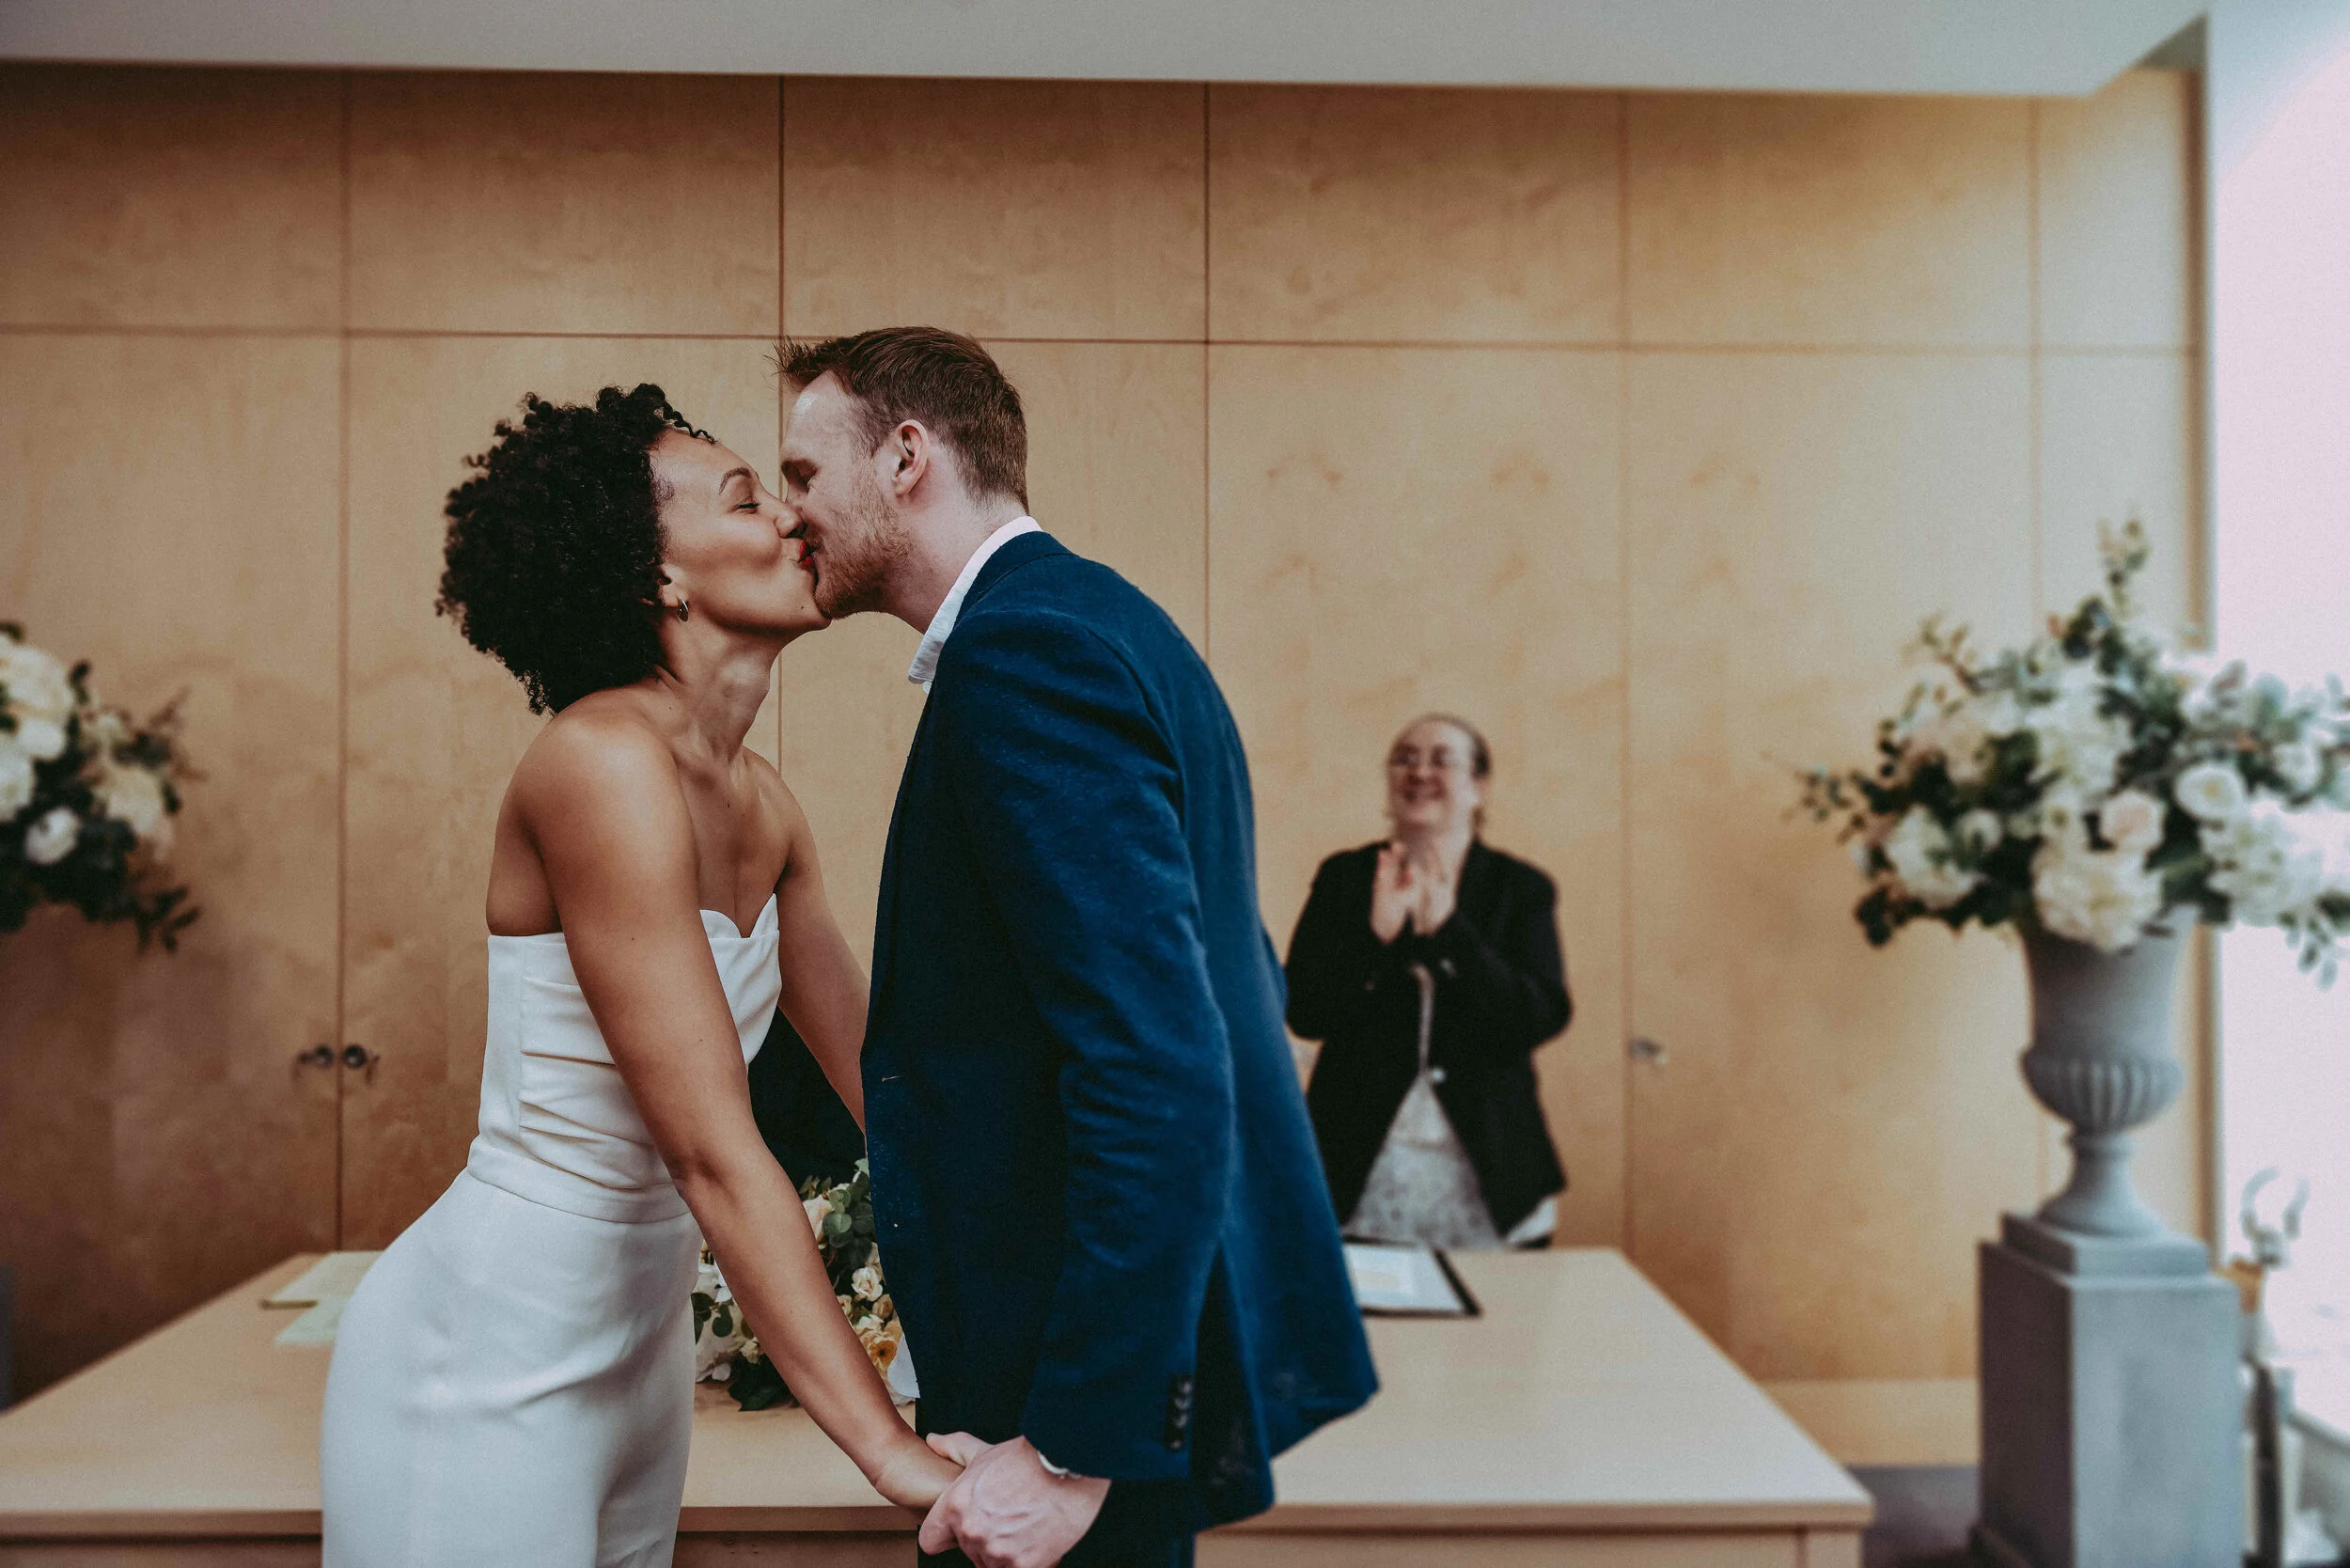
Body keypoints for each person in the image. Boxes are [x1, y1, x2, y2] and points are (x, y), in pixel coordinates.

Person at [320, 384, 960, 1567]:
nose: (793, 517)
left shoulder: (765, 802)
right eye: (747, 499)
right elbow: (710, 1152)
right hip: (489, 1350)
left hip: (641, 1356)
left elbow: (895, 1097)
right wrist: (889, 1452)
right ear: (659, 576)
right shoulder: (599, 761)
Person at [776, 326, 1377, 1568]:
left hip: (1068, 1390)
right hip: (1093, 1356)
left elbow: (1157, 1065)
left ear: (905, 457)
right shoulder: (1100, 619)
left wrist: (1070, 1448)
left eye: (802, 474)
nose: (791, 515)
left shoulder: (1026, 654)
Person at [1284, 714, 1572, 1251]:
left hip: (1493, 1174)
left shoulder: (1520, 888)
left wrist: (1450, 933)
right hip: (1356, 1172)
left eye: (1441, 759)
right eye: (1404, 758)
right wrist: (1374, 936)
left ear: (1479, 786)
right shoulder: (1345, 876)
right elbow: (1304, 1010)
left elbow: (1537, 1015)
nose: (1419, 772)